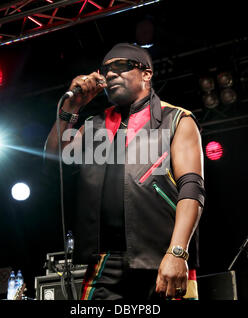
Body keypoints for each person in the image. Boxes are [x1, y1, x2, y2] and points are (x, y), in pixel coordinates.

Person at [45, 43, 204, 300]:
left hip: (161, 257)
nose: (110, 74)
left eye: (120, 67)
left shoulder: (176, 119)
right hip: (105, 261)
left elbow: (192, 188)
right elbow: (53, 164)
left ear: (146, 74)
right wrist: (72, 108)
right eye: (105, 70)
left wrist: (177, 252)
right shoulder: (94, 125)